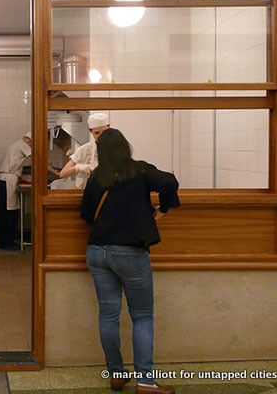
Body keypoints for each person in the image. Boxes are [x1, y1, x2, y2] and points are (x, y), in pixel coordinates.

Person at [80, 129, 179, 394]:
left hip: (97, 252)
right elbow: (169, 182)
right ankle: (145, 381)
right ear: (126, 147)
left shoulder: (95, 178)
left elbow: (87, 214)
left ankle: (116, 374)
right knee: (143, 316)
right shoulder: (140, 171)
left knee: (109, 315)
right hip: (131, 254)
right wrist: (164, 208)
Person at [0, 132, 32, 250]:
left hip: (5, 179)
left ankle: (4, 240)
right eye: (31, 143)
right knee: (7, 212)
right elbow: (37, 157)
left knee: (6, 212)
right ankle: (6, 243)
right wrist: (55, 172)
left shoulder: (16, 145)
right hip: (7, 181)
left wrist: (22, 177)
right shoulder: (22, 144)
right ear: (28, 140)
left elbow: (14, 166)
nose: (31, 146)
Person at [59, 112, 110, 189]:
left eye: (105, 132)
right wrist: (79, 167)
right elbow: (63, 174)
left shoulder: (118, 147)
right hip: (88, 192)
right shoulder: (85, 149)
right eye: (97, 133)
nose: (101, 136)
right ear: (91, 132)